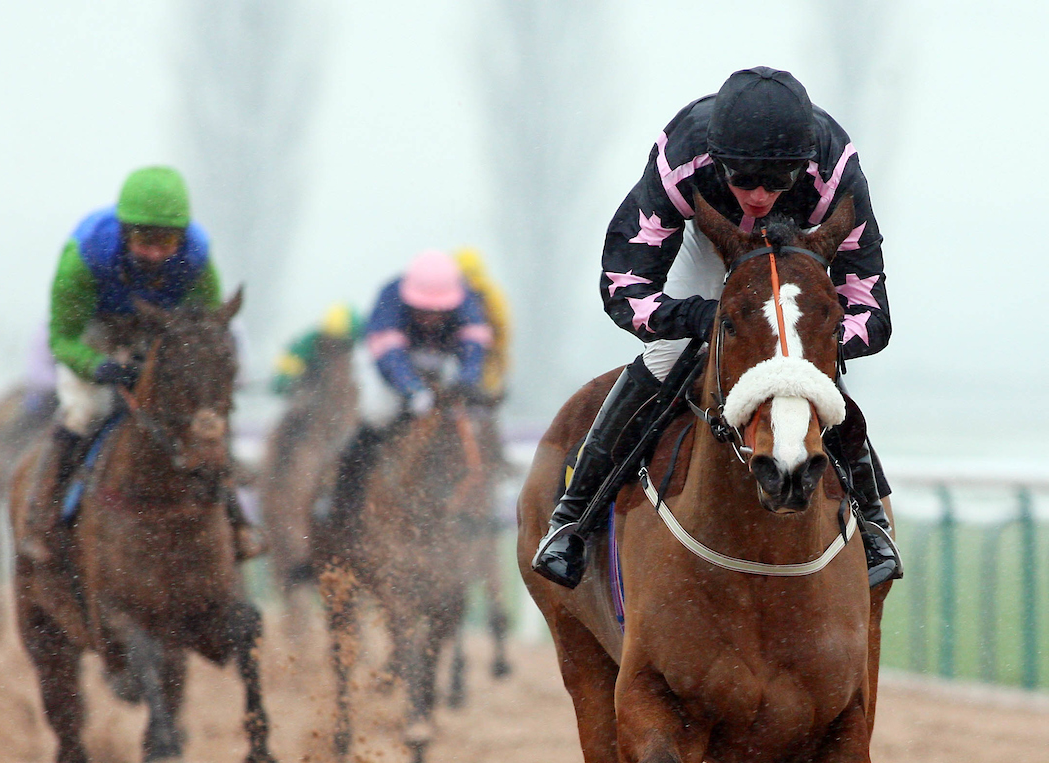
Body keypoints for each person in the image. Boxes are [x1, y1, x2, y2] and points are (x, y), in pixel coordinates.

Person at [531, 66, 901, 590]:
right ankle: (571, 518)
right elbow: (624, 284)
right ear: (716, 161)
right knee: (666, 355)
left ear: (803, 168)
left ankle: (873, 524)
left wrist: (805, 342)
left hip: (798, 252)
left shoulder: (836, 171)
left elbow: (872, 309)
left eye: (778, 182)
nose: (757, 195)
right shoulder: (681, 157)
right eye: (743, 178)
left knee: (812, 373)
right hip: (708, 244)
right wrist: (698, 318)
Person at [20, 165, 258, 562]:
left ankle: (236, 522)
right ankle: (40, 517)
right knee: (86, 409)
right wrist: (99, 367)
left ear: (181, 237)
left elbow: (205, 327)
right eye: (143, 240)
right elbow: (61, 339)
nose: (153, 252)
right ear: (124, 231)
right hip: (96, 328)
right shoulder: (84, 255)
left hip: (162, 328)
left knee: (203, 414)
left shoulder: (198, 258)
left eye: (165, 241)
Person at [364, 249, 493, 414]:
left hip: (443, 361)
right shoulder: (390, 298)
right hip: (394, 367)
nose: (431, 318)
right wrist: (412, 389)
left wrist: (467, 381)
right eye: (424, 310)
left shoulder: (466, 299)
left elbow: (474, 346)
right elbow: (390, 356)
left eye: (439, 310)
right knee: (376, 412)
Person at [453, 248, 510, 405]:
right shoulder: (490, 295)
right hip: (468, 364)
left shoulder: (490, 297)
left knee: (480, 408)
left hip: (485, 365)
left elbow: (501, 335)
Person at [271, 302, 363, 396]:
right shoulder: (303, 347)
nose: (336, 348)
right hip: (308, 392)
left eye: (343, 344)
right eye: (333, 341)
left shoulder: (361, 348)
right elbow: (281, 382)